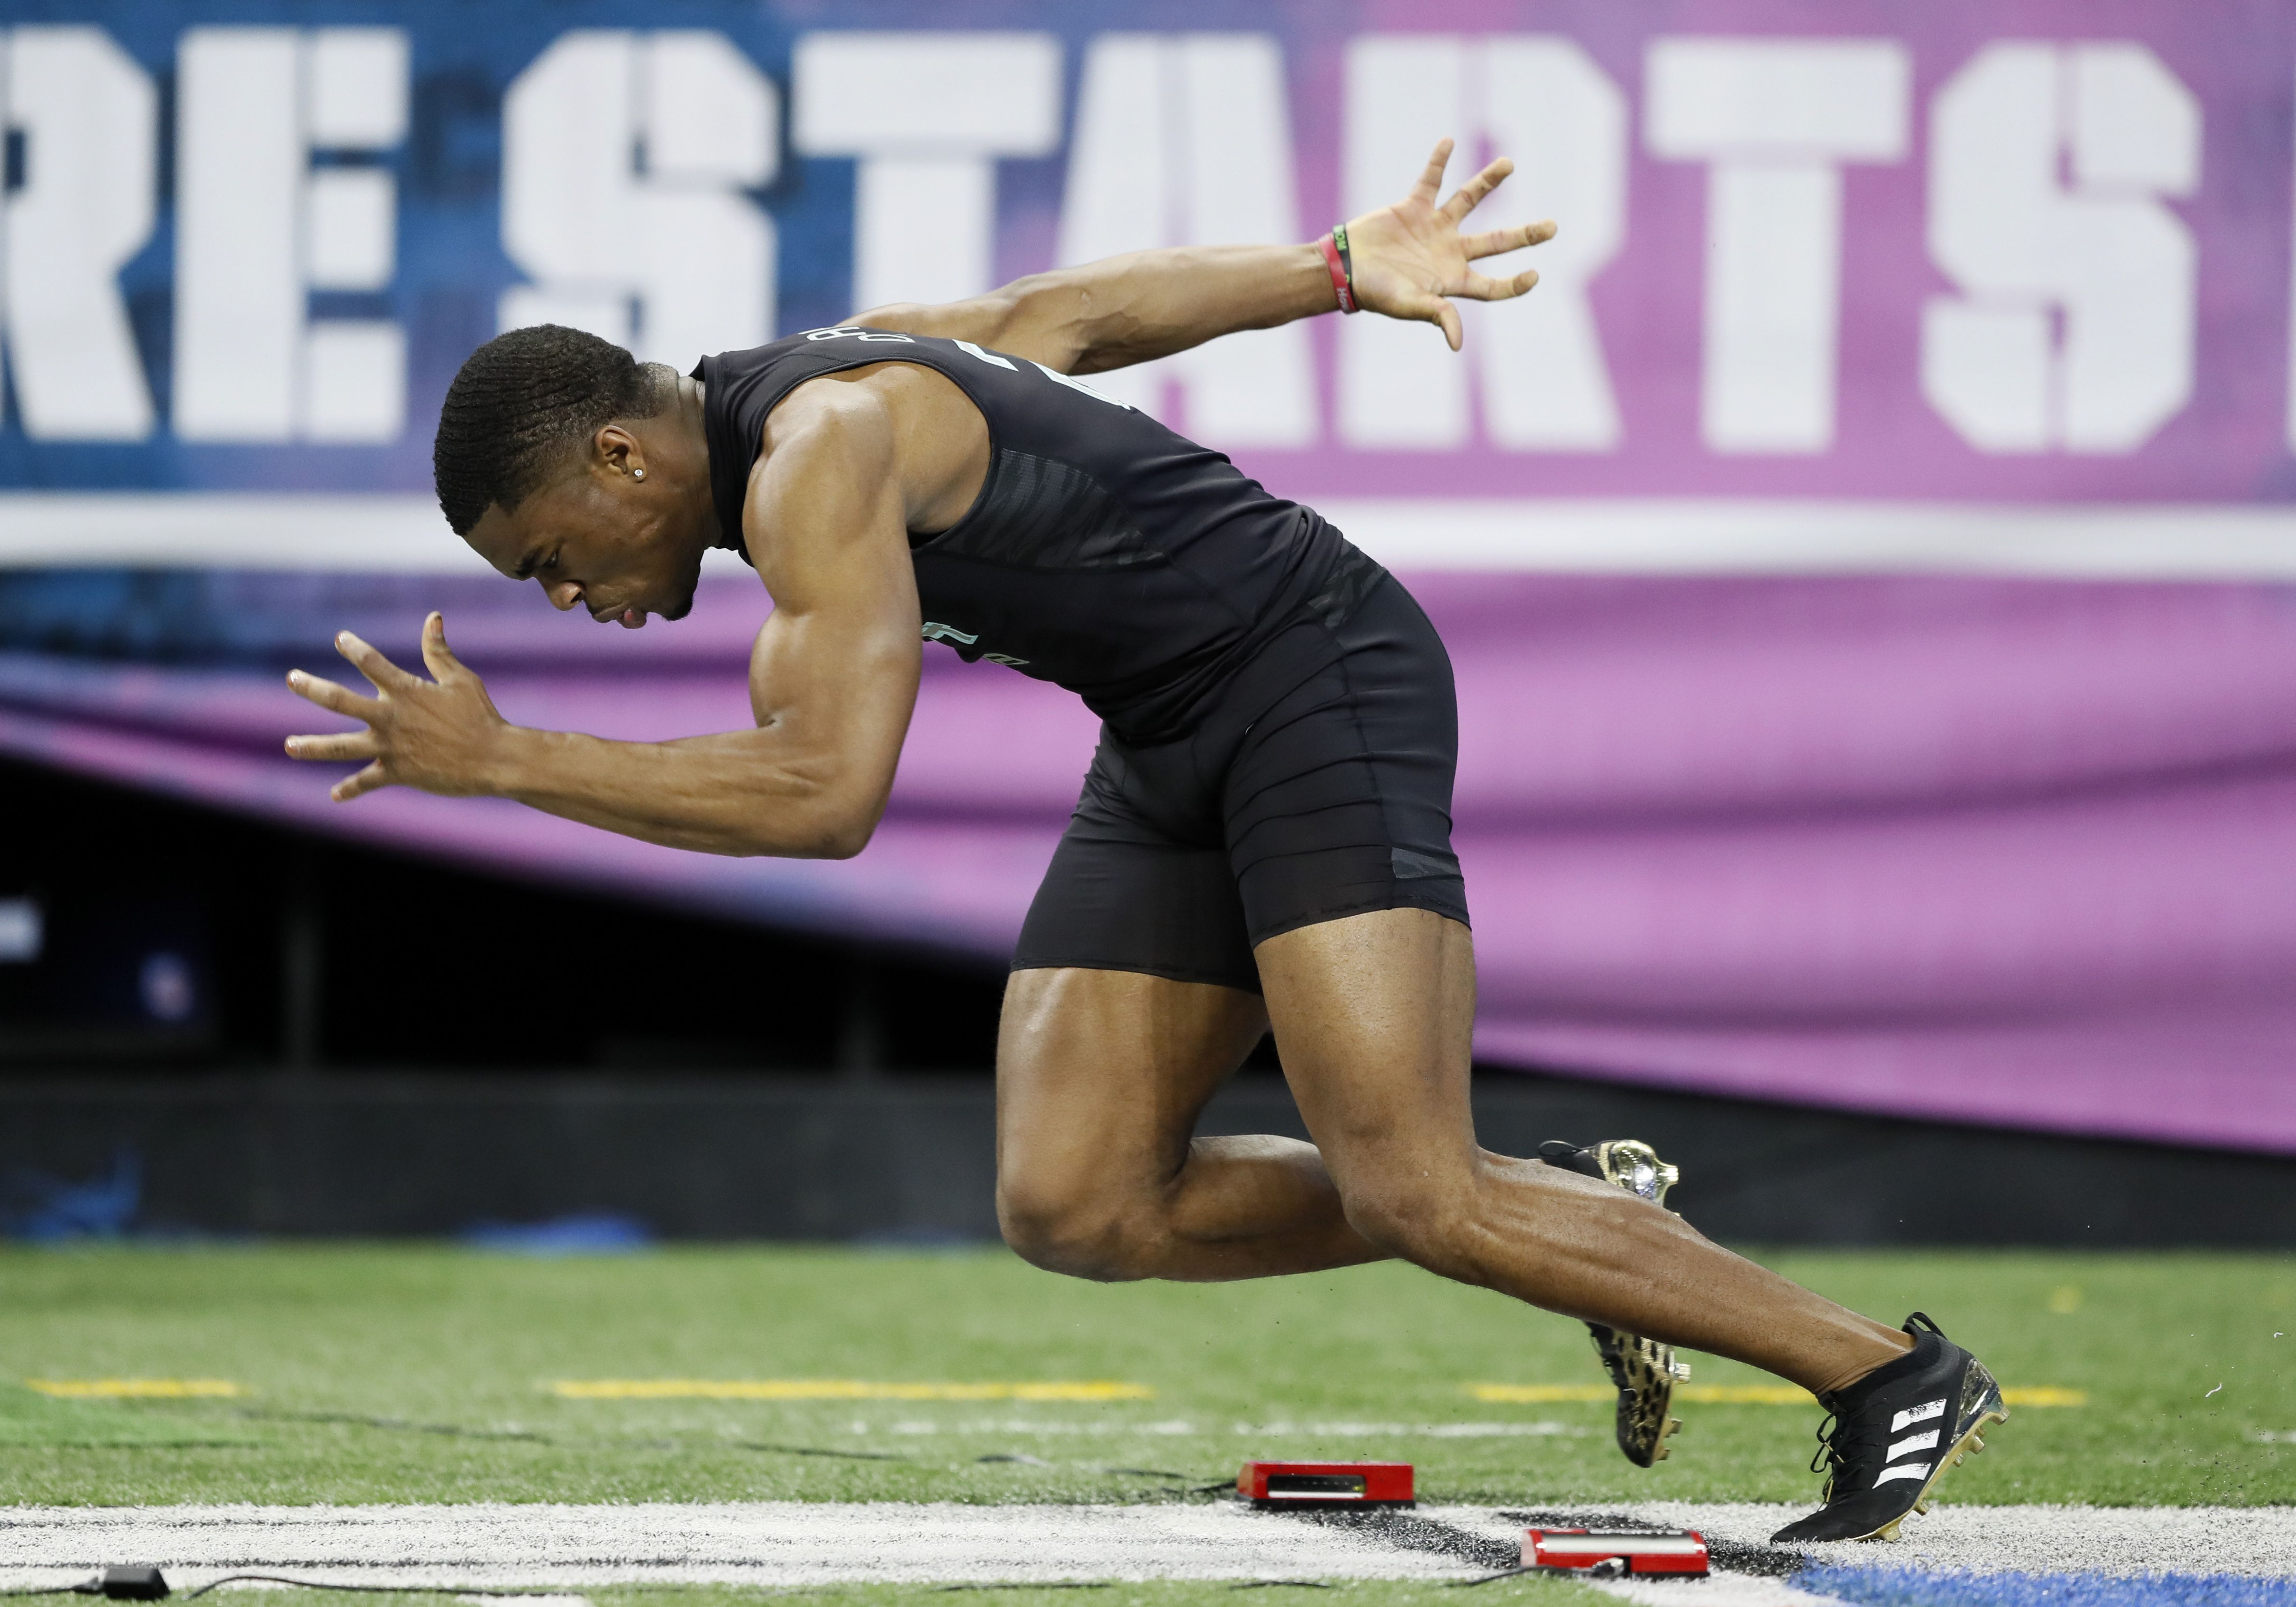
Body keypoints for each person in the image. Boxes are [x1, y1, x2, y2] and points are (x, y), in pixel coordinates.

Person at [285, 141, 2004, 1542]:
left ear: (616, 452)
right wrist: (1335, 267)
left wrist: (508, 761)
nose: (569, 597)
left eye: (552, 558)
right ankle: (1549, 1210)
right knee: (1079, 1197)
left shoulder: (815, 456)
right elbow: (1072, 313)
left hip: (1312, 675)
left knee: (1413, 1182)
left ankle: (1883, 1373)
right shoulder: (832, 372)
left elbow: (824, 797)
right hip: (1177, 728)